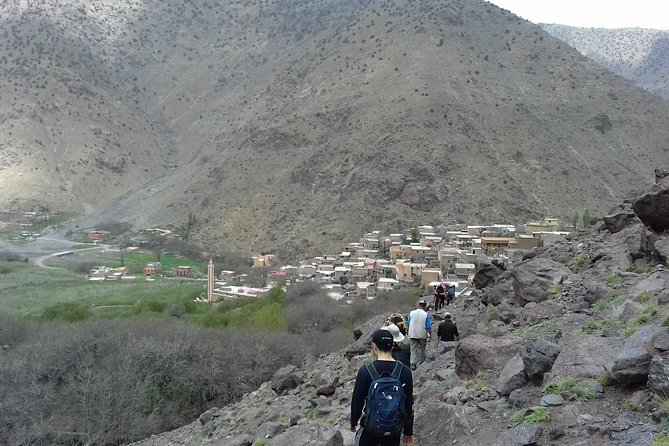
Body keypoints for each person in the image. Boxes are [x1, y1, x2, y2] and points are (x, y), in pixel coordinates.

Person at [350, 329, 414, 446]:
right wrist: (408, 432)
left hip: (371, 429)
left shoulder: (366, 371)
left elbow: (357, 401)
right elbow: (408, 404)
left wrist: (353, 422)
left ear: (374, 346)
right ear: (392, 346)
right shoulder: (405, 371)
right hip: (394, 430)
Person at [407, 299, 431, 370]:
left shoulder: (411, 313)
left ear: (419, 305)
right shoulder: (425, 314)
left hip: (412, 333)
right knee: (423, 349)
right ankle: (421, 363)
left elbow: (408, 322)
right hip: (422, 334)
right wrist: (430, 335)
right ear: (425, 306)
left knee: (413, 349)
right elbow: (428, 327)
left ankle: (412, 364)